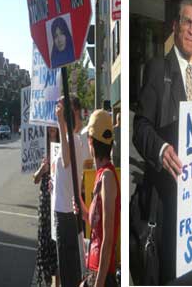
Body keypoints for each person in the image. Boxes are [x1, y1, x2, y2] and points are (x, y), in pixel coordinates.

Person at [132, 0, 192, 284]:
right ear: (175, 26)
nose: (191, 30)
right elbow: (140, 125)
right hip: (164, 204)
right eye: (187, 22)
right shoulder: (157, 68)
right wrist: (161, 150)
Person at [53, 96, 90, 287]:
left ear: (71, 112)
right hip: (66, 211)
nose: (57, 109)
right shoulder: (72, 139)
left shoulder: (73, 139)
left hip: (66, 214)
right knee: (69, 268)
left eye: (61, 106)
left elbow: (66, 162)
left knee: (69, 271)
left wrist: (60, 122)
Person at [84, 110, 119, 287]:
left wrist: (98, 283)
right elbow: (95, 223)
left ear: (91, 141)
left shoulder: (107, 177)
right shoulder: (101, 175)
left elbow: (108, 237)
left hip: (102, 274)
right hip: (93, 268)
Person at [34, 126, 60, 286]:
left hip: (57, 200)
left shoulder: (62, 149)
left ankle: (56, 282)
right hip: (45, 203)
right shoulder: (42, 150)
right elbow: (35, 179)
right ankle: (47, 281)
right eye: (49, 127)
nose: (51, 129)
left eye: (54, 127)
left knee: (56, 243)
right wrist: (42, 169)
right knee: (44, 240)